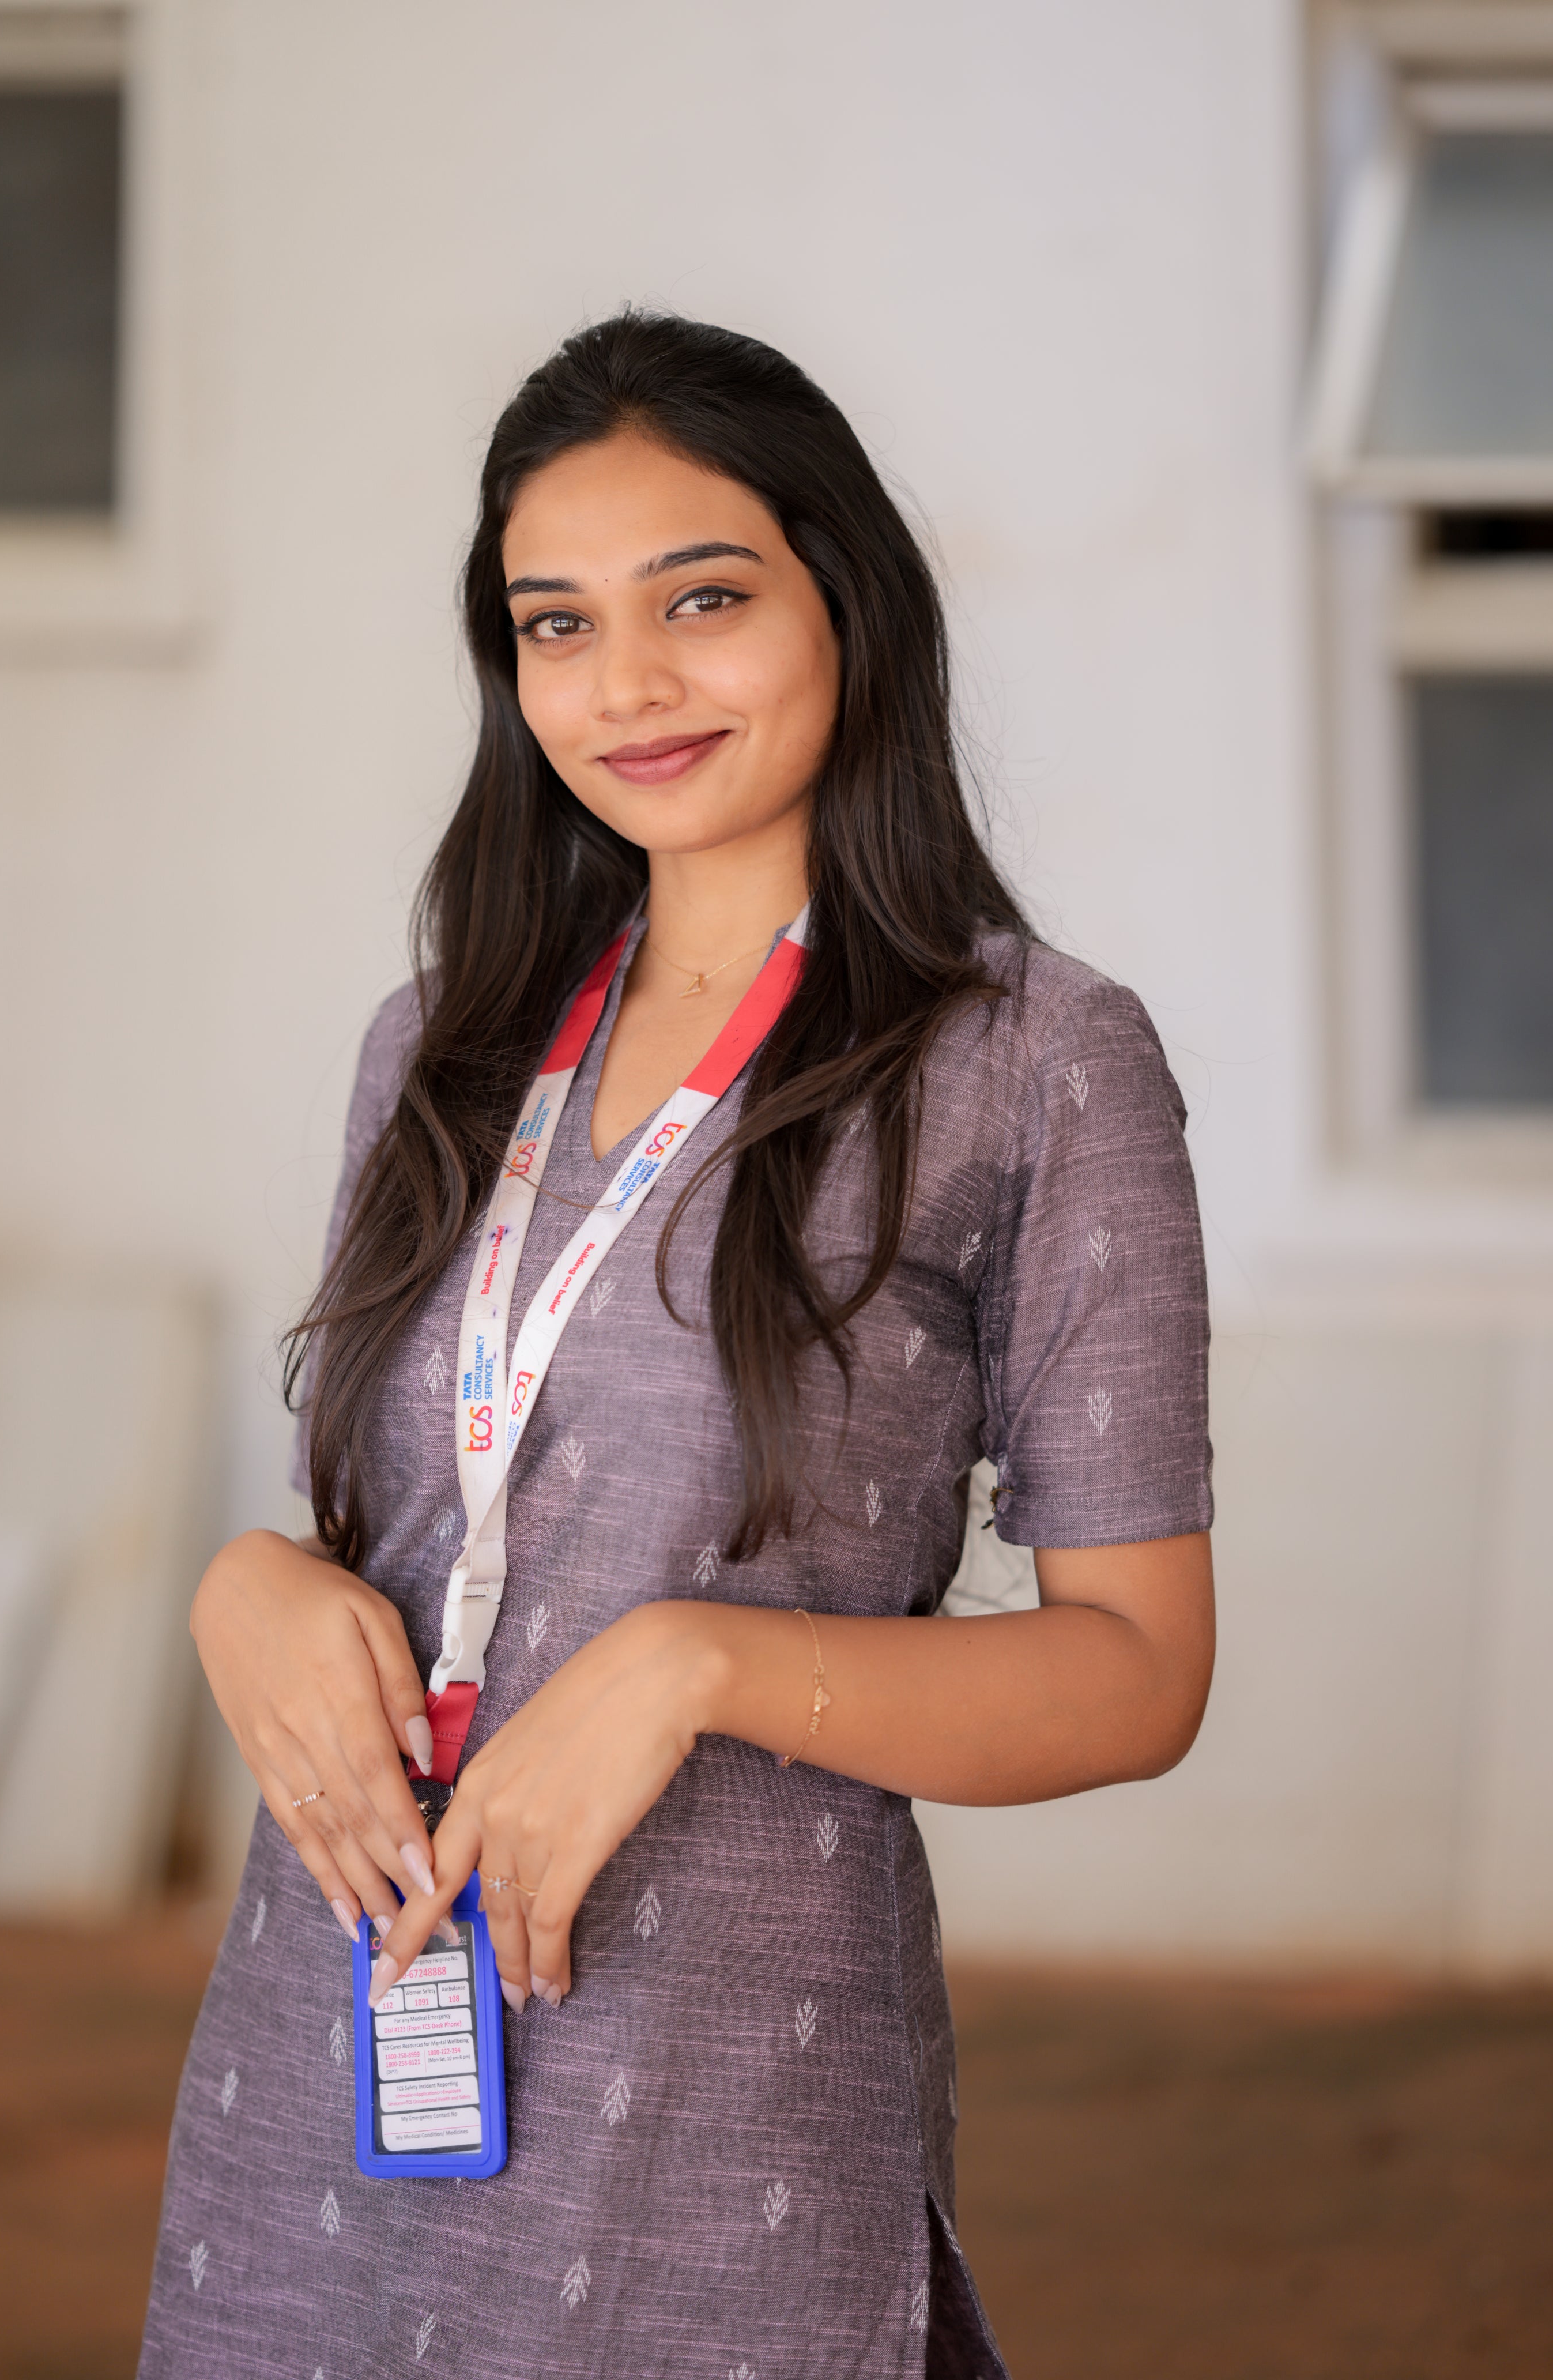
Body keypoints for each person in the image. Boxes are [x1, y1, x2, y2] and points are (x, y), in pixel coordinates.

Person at [140, 310, 1215, 2380]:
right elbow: (405, 1528)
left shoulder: (1035, 1064)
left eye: (700, 600)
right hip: (336, 2044)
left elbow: (1140, 1677)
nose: (623, 685)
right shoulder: (443, 1042)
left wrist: (695, 1664)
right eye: (556, 625)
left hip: (725, 2113)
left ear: (851, 598)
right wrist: (245, 1582)